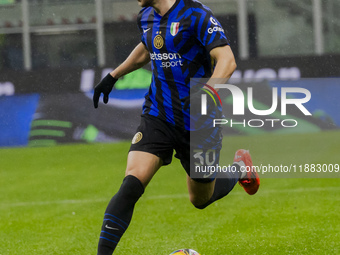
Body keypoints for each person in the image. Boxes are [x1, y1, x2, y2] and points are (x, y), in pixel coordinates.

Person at [93, 0, 260, 254]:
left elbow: (227, 60)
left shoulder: (196, 14)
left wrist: (208, 94)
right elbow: (147, 47)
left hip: (199, 123)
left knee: (200, 199)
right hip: (159, 115)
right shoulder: (146, 16)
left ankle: (239, 168)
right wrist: (114, 75)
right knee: (131, 184)